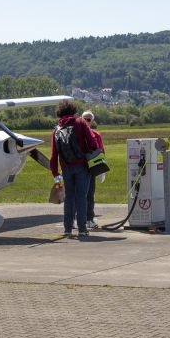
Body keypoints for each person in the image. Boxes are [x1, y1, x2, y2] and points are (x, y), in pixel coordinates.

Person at [50, 100, 99, 238]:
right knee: (82, 197)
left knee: (69, 197)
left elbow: (53, 155)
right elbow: (92, 142)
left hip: (66, 168)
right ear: (73, 110)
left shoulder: (56, 129)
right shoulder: (80, 122)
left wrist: (55, 173)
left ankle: (67, 229)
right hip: (82, 165)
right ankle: (82, 229)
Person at [82, 110, 104, 229]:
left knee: (90, 194)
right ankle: (79, 218)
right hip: (79, 168)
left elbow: (101, 152)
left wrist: (101, 170)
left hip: (91, 169)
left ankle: (90, 218)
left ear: (92, 121)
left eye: (88, 119)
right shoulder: (77, 134)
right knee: (79, 195)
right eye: (84, 119)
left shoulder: (96, 135)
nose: (86, 121)